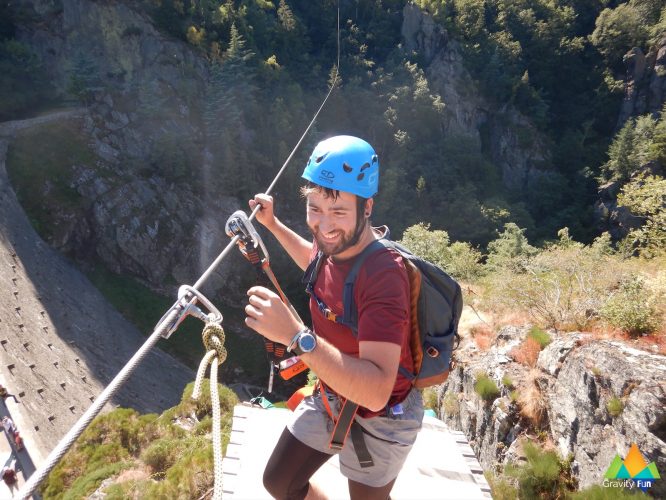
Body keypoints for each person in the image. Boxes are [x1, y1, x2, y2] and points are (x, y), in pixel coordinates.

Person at [245, 135, 423, 500]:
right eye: (314, 208)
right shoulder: (334, 246)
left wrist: (296, 336)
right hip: (335, 392)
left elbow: (375, 393)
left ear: (367, 207)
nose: (324, 225)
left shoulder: (383, 275)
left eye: (338, 211)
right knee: (280, 482)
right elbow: (313, 259)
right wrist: (274, 224)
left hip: (384, 415)